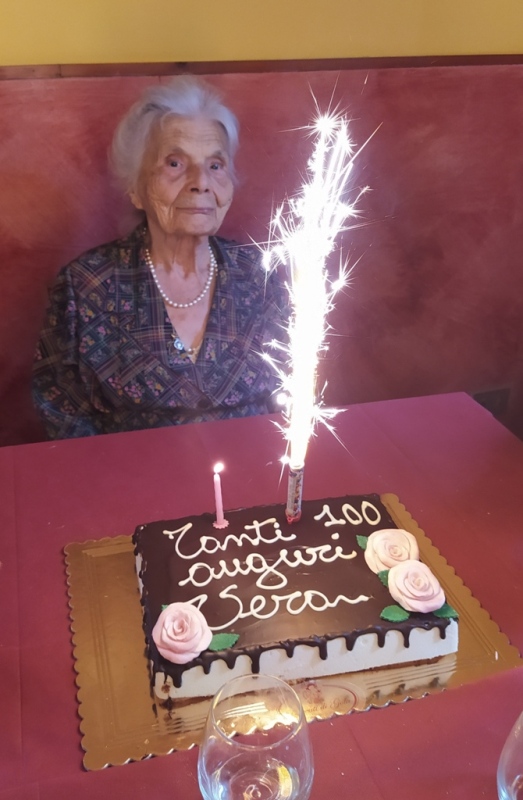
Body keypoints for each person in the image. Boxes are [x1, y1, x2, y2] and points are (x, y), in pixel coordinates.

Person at [33, 77, 287, 439]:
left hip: (253, 469)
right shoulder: (87, 286)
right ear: (136, 188)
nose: (201, 182)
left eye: (216, 165)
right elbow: (62, 412)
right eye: (174, 163)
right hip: (127, 472)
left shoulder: (260, 275)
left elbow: (291, 393)